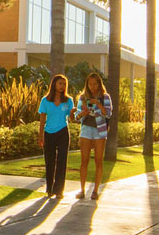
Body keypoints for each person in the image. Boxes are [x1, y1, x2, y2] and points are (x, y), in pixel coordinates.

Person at [74, 72, 113, 200]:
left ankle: (95, 190)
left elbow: (108, 114)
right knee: (84, 160)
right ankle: (82, 189)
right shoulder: (83, 97)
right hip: (86, 129)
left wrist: (98, 104)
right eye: (90, 84)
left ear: (99, 83)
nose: (93, 86)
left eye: (95, 83)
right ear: (87, 84)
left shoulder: (105, 97)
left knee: (98, 160)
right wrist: (82, 114)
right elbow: (77, 116)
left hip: (100, 130)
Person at [38, 74, 74, 199]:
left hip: (63, 132)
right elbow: (42, 119)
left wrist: (74, 113)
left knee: (62, 161)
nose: (62, 86)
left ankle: (59, 190)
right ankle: (50, 188)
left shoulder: (68, 100)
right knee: (50, 161)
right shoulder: (45, 100)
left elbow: (72, 118)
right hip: (49, 133)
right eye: (60, 83)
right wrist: (40, 135)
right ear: (54, 84)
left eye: (64, 84)